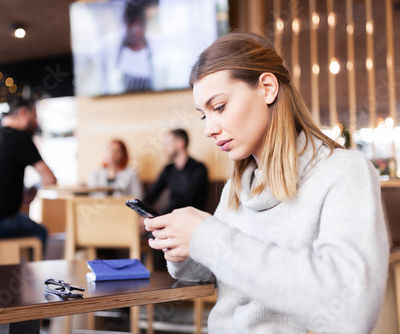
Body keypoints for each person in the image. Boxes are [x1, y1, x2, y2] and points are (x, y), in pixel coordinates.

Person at [144, 32, 389, 333]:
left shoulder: (344, 172)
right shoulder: (240, 185)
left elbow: (351, 308)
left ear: (267, 88)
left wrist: (207, 236)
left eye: (219, 107)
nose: (209, 129)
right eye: (203, 115)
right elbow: (213, 269)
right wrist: (182, 245)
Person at [0, 97, 57, 254]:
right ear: (23, 113)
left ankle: (15, 272)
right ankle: (31, 277)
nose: (37, 123)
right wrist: (34, 189)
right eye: (35, 117)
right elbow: (50, 179)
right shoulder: (20, 138)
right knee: (40, 232)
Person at [143, 129, 208, 214]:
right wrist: (141, 211)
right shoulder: (168, 170)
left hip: (194, 219)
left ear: (180, 143)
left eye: (167, 144)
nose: (163, 148)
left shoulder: (199, 168)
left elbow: (185, 199)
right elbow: (151, 195)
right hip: (173, 218)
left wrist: (161, 216)